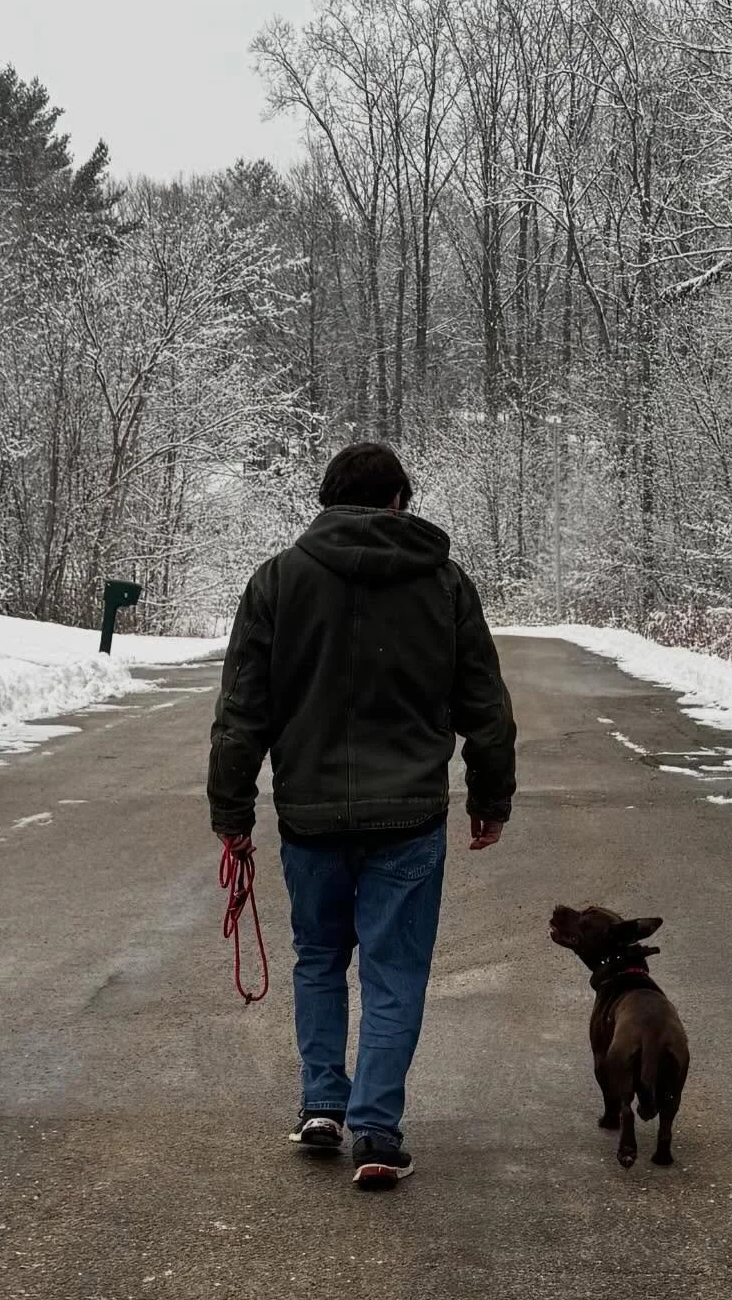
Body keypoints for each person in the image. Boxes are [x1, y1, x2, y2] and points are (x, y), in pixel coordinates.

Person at [207, 442, 516, 1190]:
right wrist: (489, 797)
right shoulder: (443, 584)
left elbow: (242, 711)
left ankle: (321, 1106)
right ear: (399, 502)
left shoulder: (277, 582)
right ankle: (376, 1129)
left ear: (326, 500)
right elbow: (486, 707)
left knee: (319, 957)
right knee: (394, 972)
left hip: (311, 814)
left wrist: (233, 810)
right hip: (408, 816)